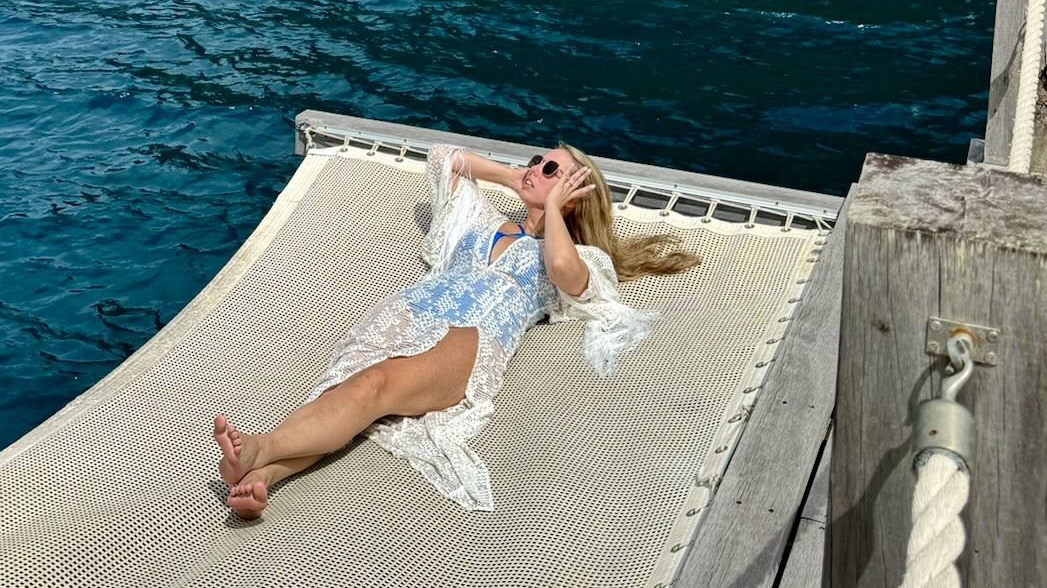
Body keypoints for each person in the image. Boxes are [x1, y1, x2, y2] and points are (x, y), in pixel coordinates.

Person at [214, 141, 700, 517]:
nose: (535, 167)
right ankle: (265, 477)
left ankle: (263, 445)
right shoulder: (479, 220)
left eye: (551, 169)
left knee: (372, 387)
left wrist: (551, 210)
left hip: (469, 339)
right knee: (349, 397)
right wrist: (519, 178)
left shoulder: (580, 257)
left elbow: (562, 268)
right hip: (410, 312)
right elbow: (443, 157)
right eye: (537, 158)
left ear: (575, 196)